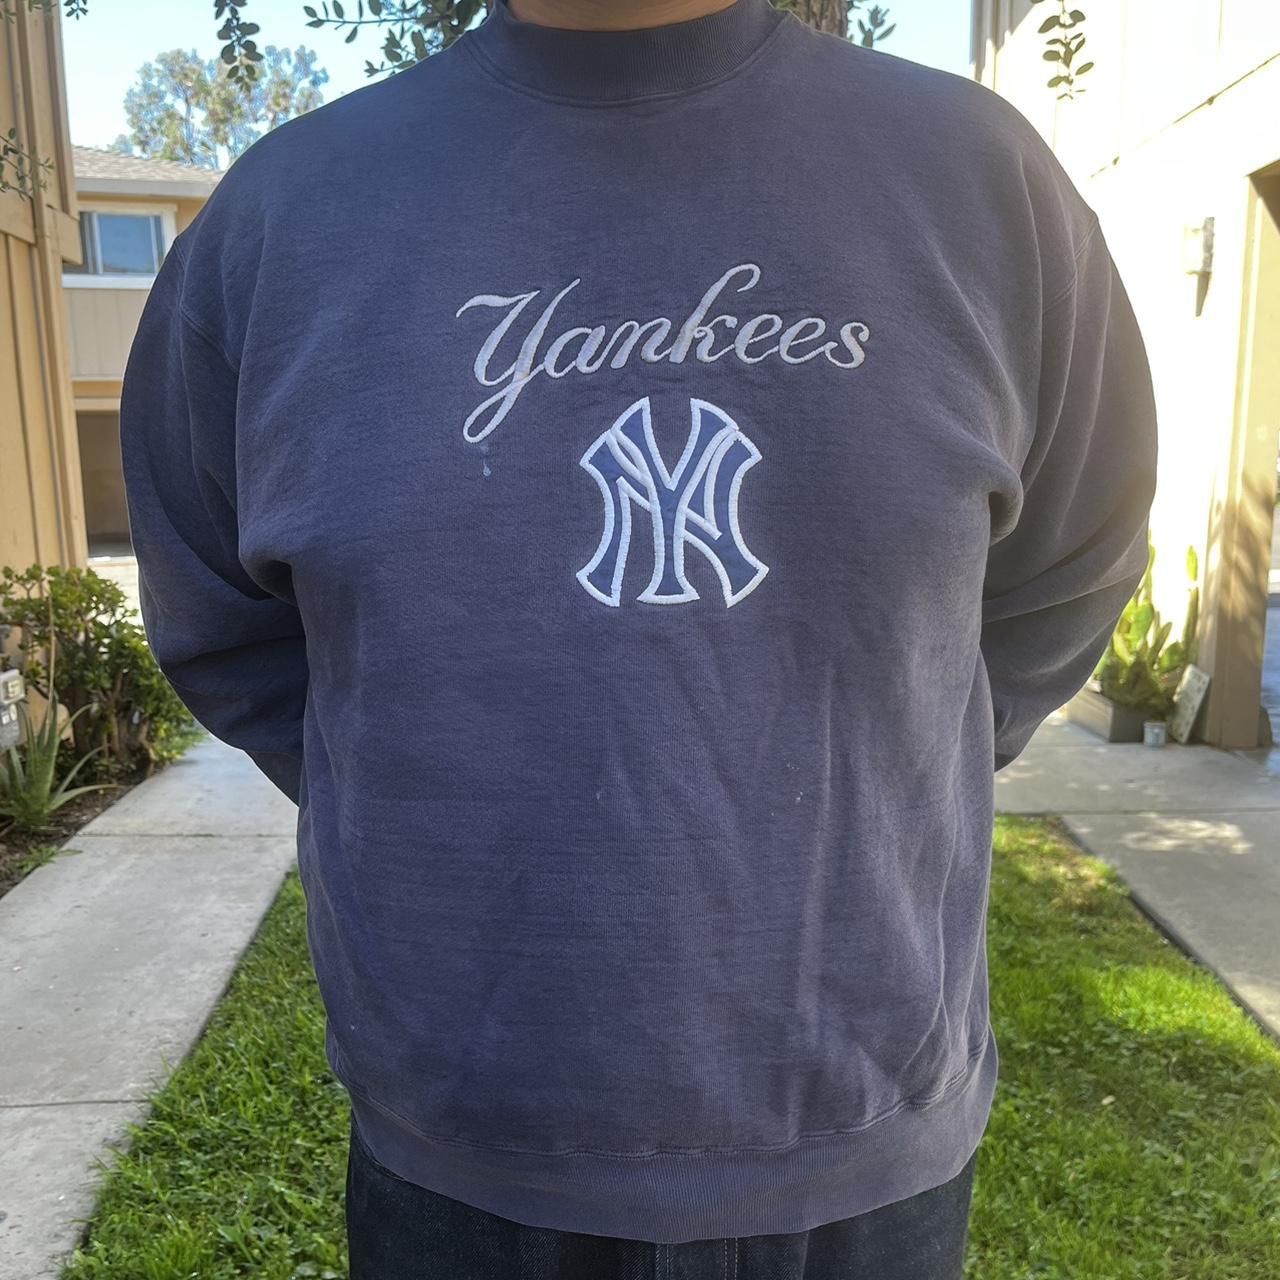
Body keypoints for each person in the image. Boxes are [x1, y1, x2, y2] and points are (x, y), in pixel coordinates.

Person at [117, 0, 1160, 1274]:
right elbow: (226, 626)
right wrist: (408, 789)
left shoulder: (985, 186)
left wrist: (895, 749)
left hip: (863, 1138)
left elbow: (1066, 571)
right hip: (459, 1156)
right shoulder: (281, 221)